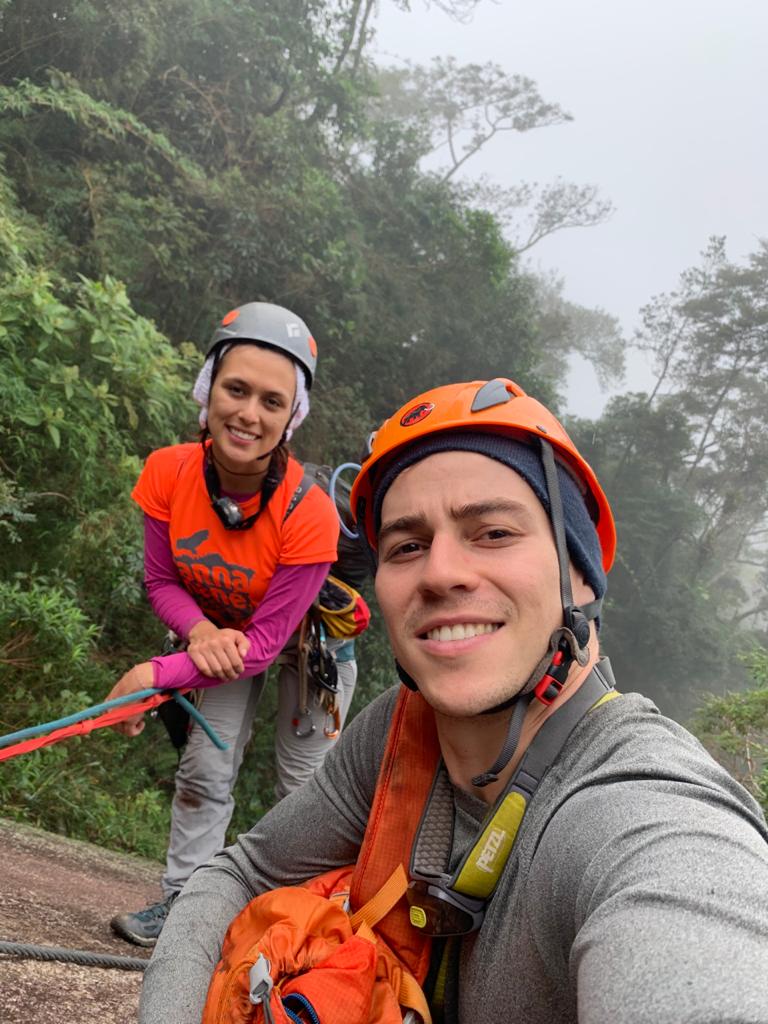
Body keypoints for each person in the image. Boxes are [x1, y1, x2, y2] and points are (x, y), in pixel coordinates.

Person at [139, 377, 768, 1023]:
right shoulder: (395, 736)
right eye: (407, 545)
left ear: (579, 574)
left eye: (493, 532)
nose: (440, 573)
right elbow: (241, 874)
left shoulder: (649, 818)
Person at [106, 301, 343, 947]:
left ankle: (295, 924)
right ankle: (186, 911)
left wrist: (153, 673)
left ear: (292, 417)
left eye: (273, 401)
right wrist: (201, 634)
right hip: (223, 634)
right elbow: (161, 580)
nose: (249, 413)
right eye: (236, 389)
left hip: (304, 645)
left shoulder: (309, 513)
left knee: (305, 791)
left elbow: (265, 647)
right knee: (205, 772)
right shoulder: (168, 472)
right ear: (208, 392)